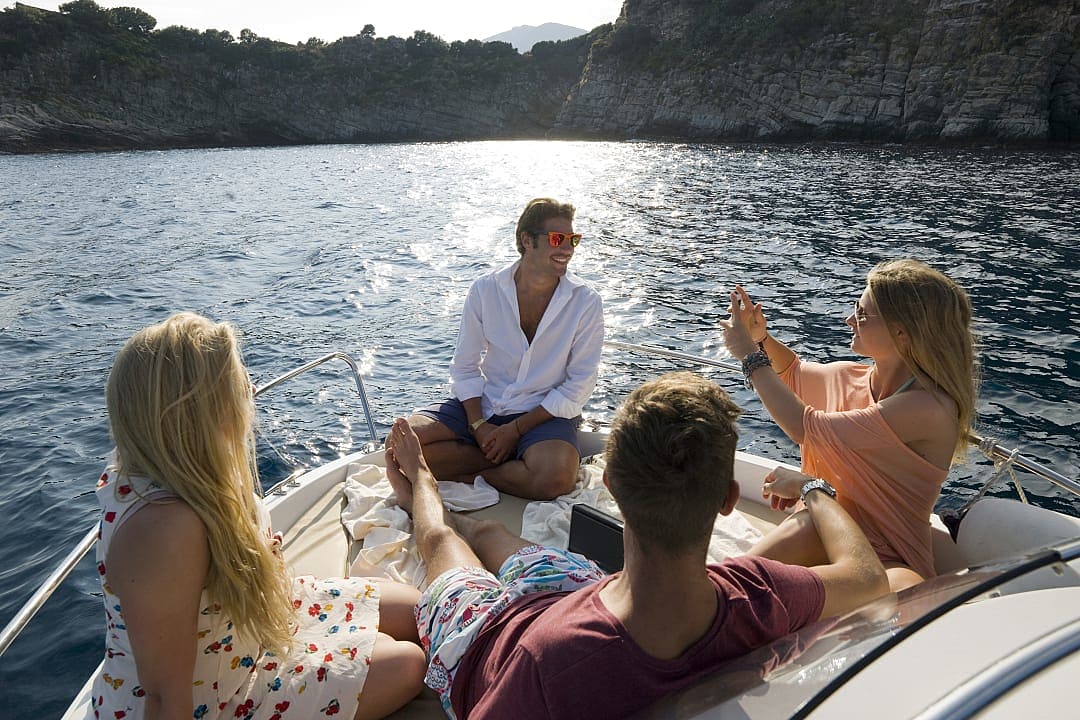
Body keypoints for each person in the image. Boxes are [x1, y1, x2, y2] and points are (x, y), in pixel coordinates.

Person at [385, 372, 889, 719]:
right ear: (729, 499)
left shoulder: (547, 663)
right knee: (493, 535)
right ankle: (464, 521)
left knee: (441, 539)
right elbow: (867, 577)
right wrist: (813, 490)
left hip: (494, 638)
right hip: (583, 587)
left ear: (611, 485)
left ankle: (422, 481)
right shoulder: (755, 597)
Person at [92, 312, 425, 720]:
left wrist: (257, 557)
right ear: (200, 412)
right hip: (220, 697)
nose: (249, 388)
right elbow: (164, 696)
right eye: (234, 381)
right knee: (407, 663)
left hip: (249, 628)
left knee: (420, 611)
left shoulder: (191, 469)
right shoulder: (162, 529)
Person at [721, 259, 978, 592]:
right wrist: (761, 339)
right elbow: (794, 376)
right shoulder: (854, 378)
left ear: (901, 333)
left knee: (894, 586)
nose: (849, 319)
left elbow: (804, 427)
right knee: (807, 530)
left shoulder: (929, 407)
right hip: (826, 534)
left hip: (888, 560)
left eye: (862, 314)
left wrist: (747, 353)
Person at [407, 197, 604, 500]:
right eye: (557, 239)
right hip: (487, 405)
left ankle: (475, 471)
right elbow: (464, 367)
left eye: (573, 240)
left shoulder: (586, 302)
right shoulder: (485, 290)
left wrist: (515, 432)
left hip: (543, 414)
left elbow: (578, 386)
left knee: (556, 479)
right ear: (527, 240)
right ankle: (511, 462)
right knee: (402, 443)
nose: (567, 249)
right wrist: (479, 426)